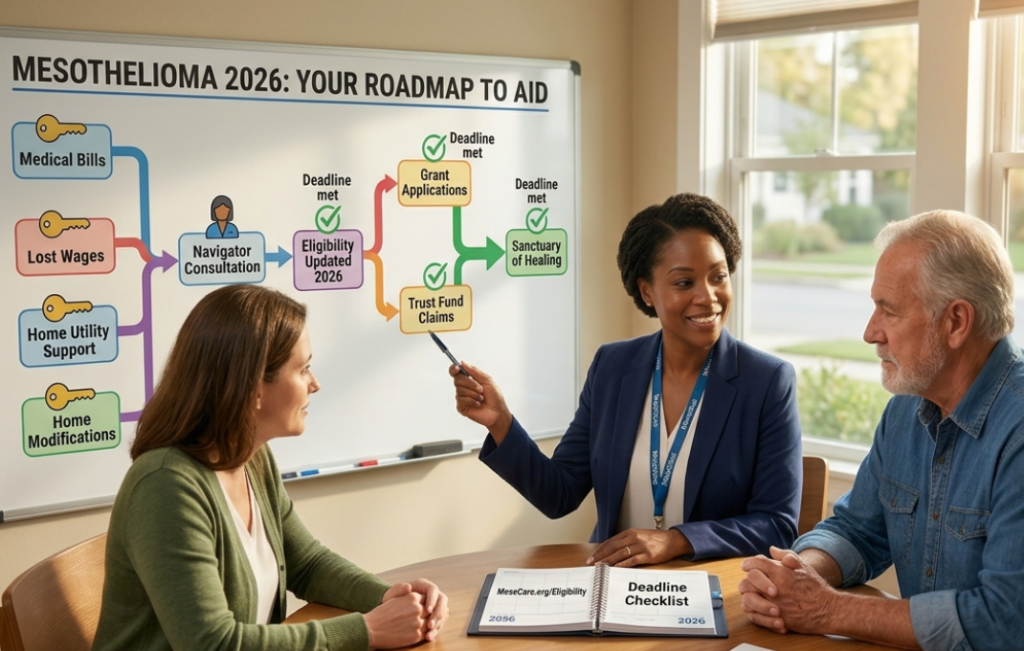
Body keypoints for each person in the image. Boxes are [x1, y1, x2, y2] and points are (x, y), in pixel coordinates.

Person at [450, 192, 802, 566]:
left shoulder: (767, 383)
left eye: (719, 276)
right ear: (648, 291)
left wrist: (676, 541)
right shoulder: (613, 367)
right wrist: (501, 421)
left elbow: (776, 525)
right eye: (684, 283)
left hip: (708, 594)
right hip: (612, 590)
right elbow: (559, 494)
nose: (708, 296)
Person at [93, 285, 448, 651]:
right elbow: (212, 644)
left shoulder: (252, 458)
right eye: (304, 369)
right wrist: (367, 630)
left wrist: (391, 598)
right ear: (253, 387)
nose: (316, 383)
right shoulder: (166, 485)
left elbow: (306, 563)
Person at [739, 210, 1024, 651]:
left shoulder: (1018, 432)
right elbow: (859, 529)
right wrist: (798, 573)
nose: (870, 333)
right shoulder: (905, 411)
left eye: (888, 311)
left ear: (956, 322)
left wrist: (824, 609)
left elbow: (1004, 620)